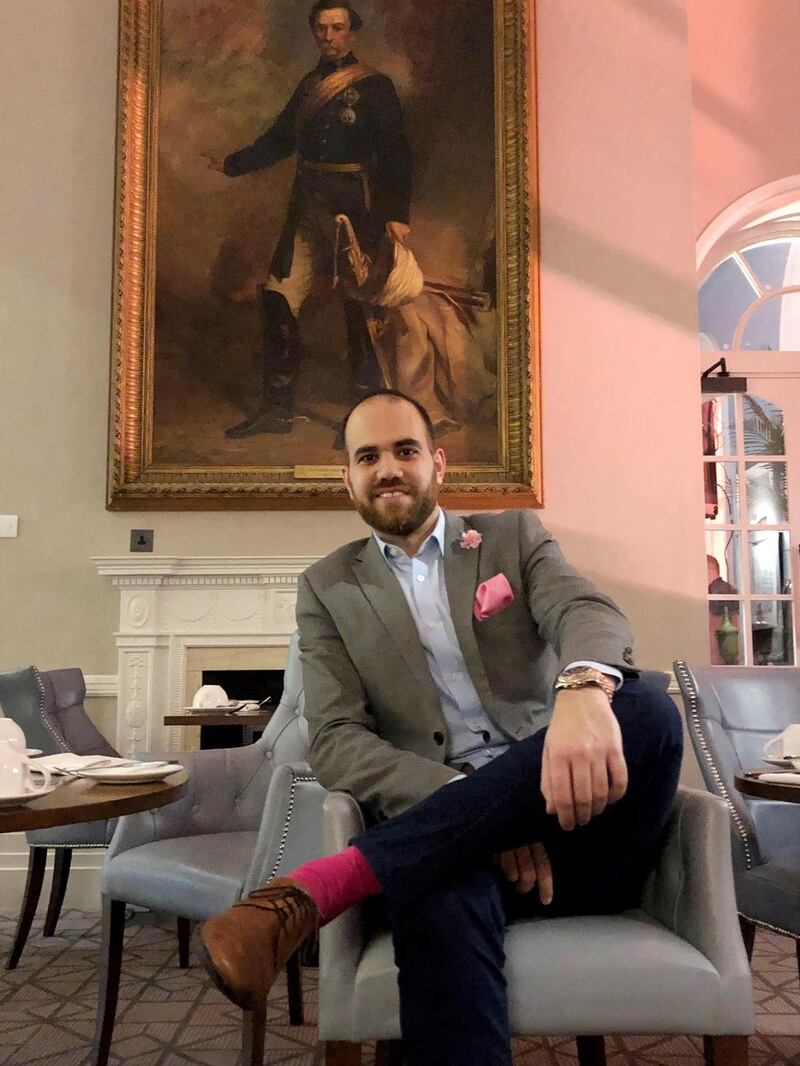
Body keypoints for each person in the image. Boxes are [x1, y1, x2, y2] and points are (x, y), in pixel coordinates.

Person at [200, 390, 683, 1065]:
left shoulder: (514, 537)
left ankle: (320, 888)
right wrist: (476, 815)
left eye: (405, 450)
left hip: (576, 833)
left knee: (649, 707)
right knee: (438, 889)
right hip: (450, 849)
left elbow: (586, 611)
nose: (388, 468)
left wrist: (579, 690)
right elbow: (335, 739)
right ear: (348, 477)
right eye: (368, 456)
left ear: (439, 463)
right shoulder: (328, 588)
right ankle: (423, 851)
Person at [207, 2, 412, 438]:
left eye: (337, 28)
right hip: (307, 204)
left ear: (352, 33)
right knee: (279, 296)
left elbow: (396, 153)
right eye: (321, 29)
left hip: (355, 209)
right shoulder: (308, 86)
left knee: (359, 309)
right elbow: (280, 140)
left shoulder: (375, 88)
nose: (329, 37)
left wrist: (395, 215)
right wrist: (231, 165)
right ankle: (277, 409)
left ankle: (365, 418)